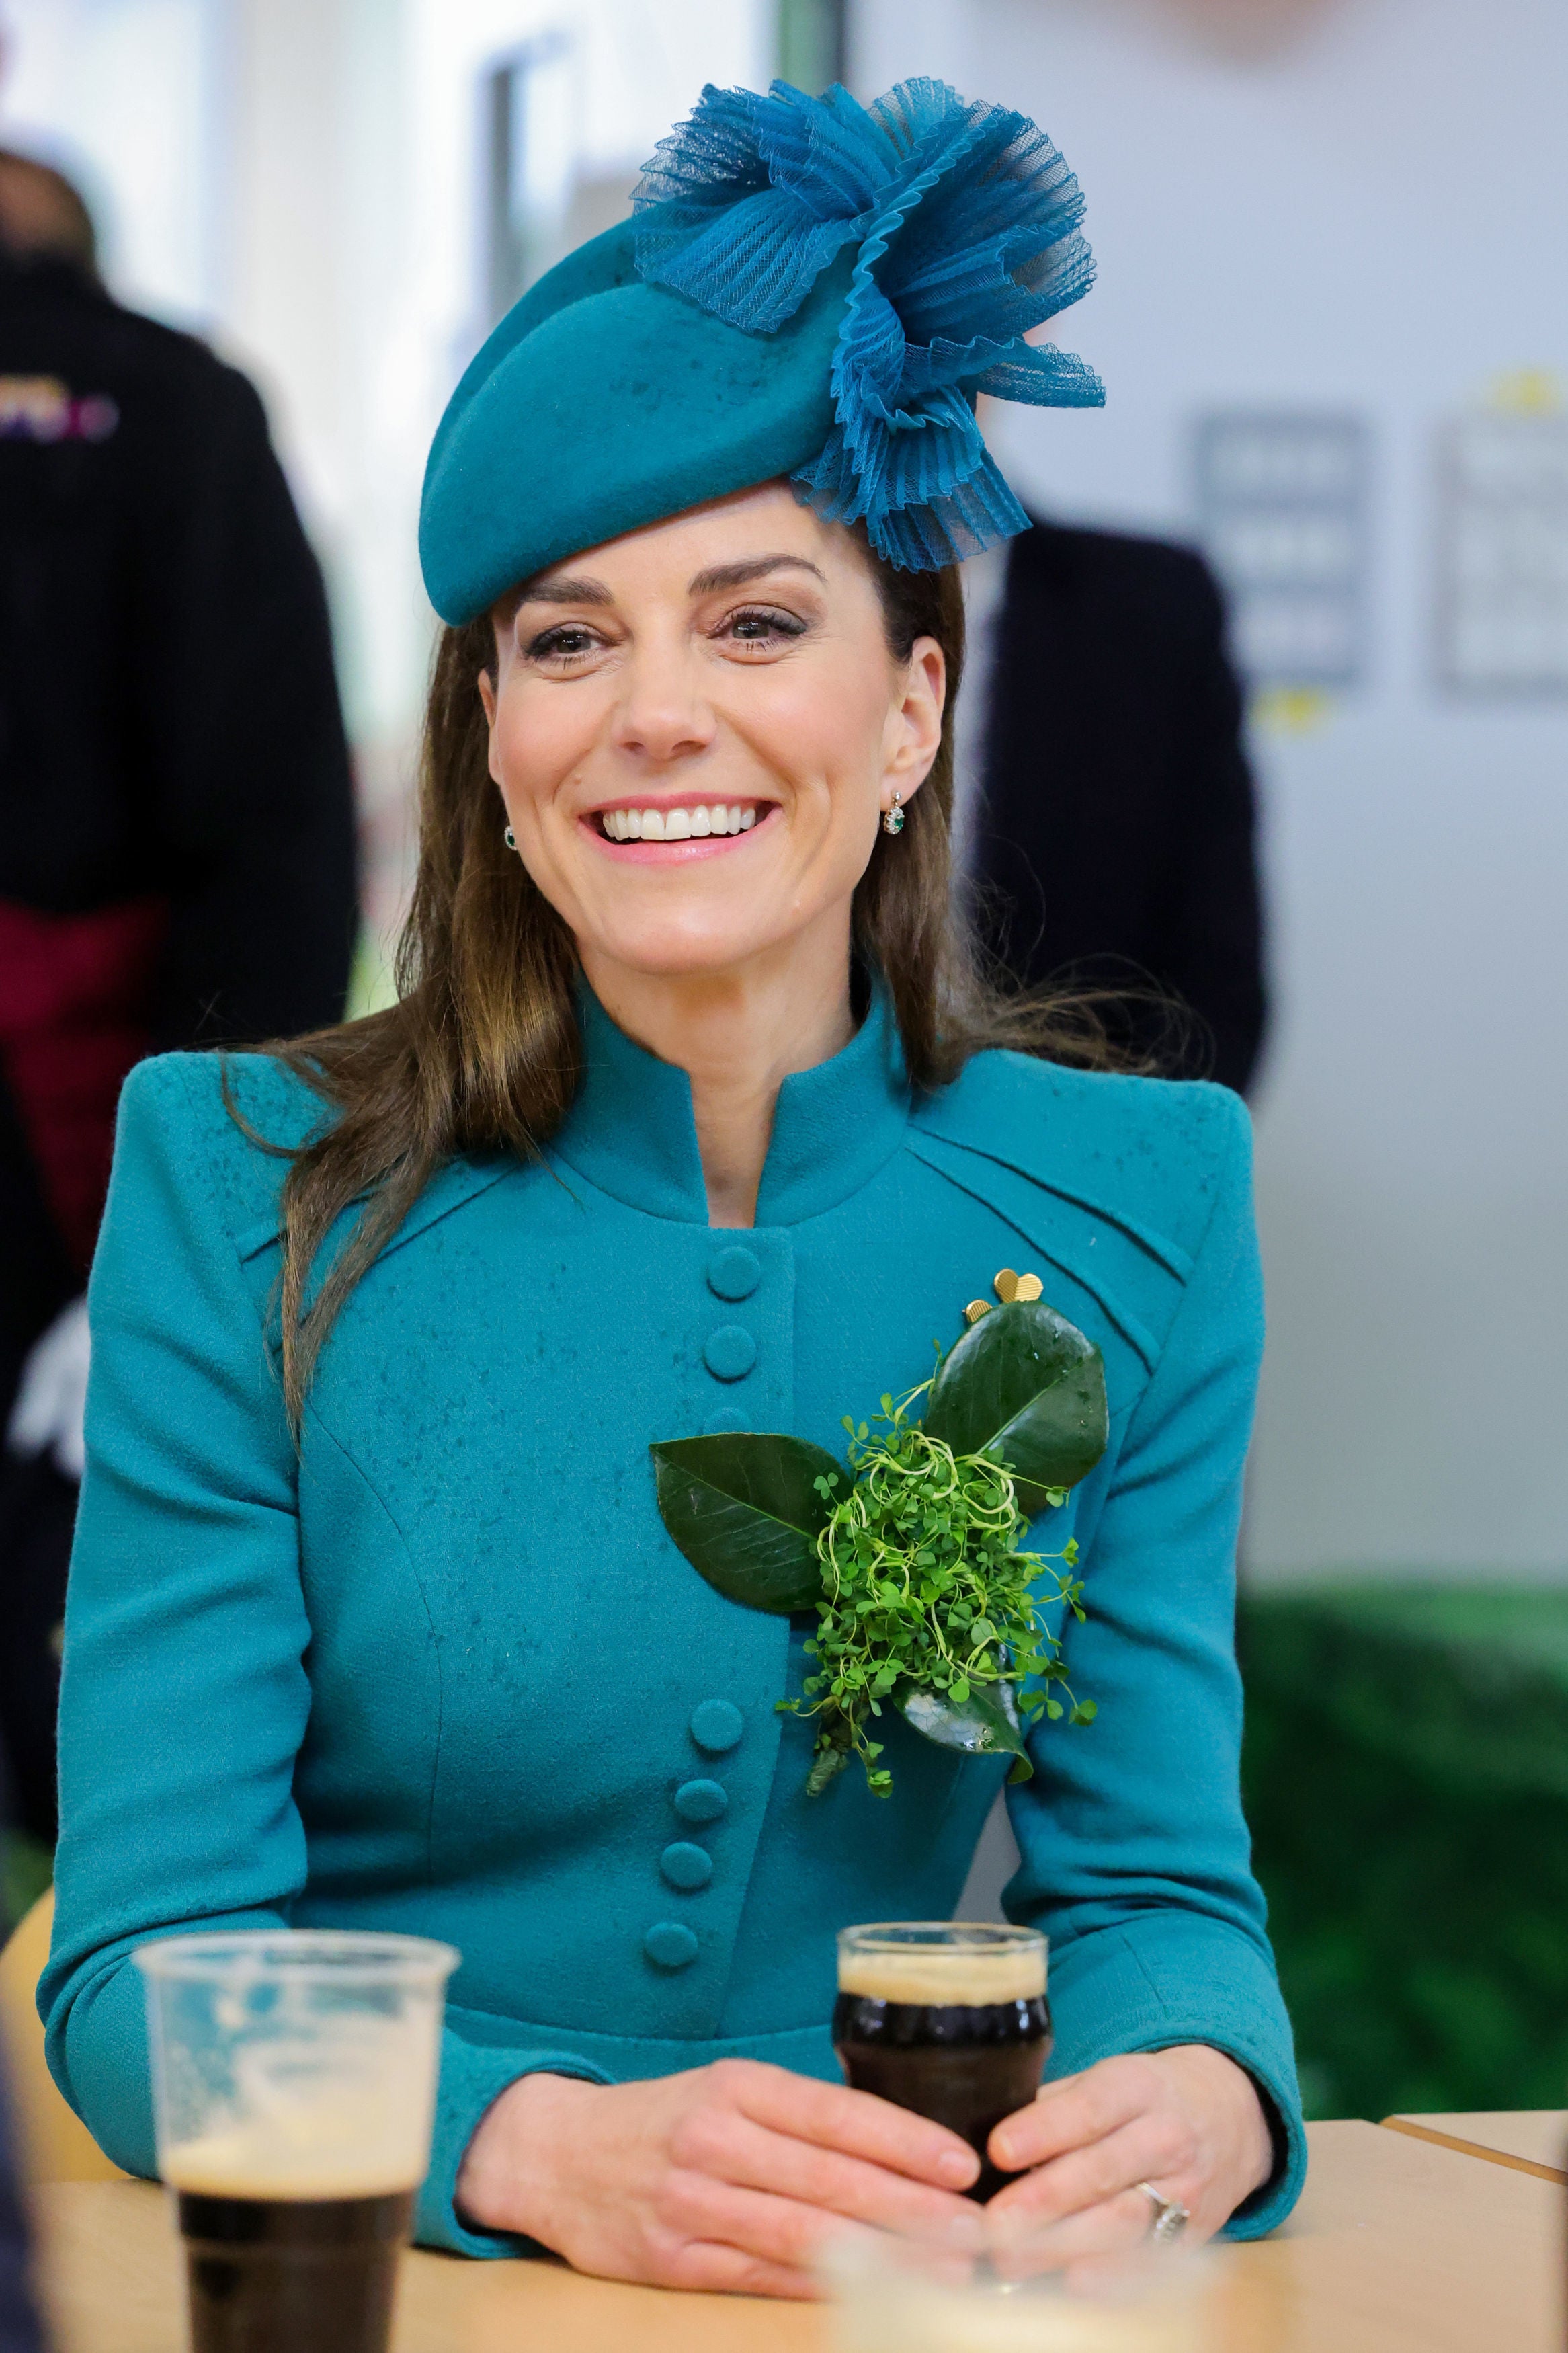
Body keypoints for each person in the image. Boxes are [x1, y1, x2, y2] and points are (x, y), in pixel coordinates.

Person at [42, 79, 1303, 2292]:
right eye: (565, 640)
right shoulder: (240, 1183)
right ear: (494, 745)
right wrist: (523, 2146)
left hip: (895, 2279)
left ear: (908, 708)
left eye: (752, 623)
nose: (652, 714)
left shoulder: (1144, 1203)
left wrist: (1197, 2081)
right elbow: (141, 1965)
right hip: (393, 2280)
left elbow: (1163, 1903)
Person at [0, 151, 360, 1845]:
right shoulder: (202, 406)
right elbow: (284, 830)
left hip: (104, 1080)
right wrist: (215, 1195)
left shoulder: (186, 412)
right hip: (157, 1081)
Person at [964, 518, 1267, 1096]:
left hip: (1080, 1148)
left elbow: (1213, 984)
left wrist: (1112, 1166)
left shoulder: (1149, 607)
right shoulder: (778, 600)